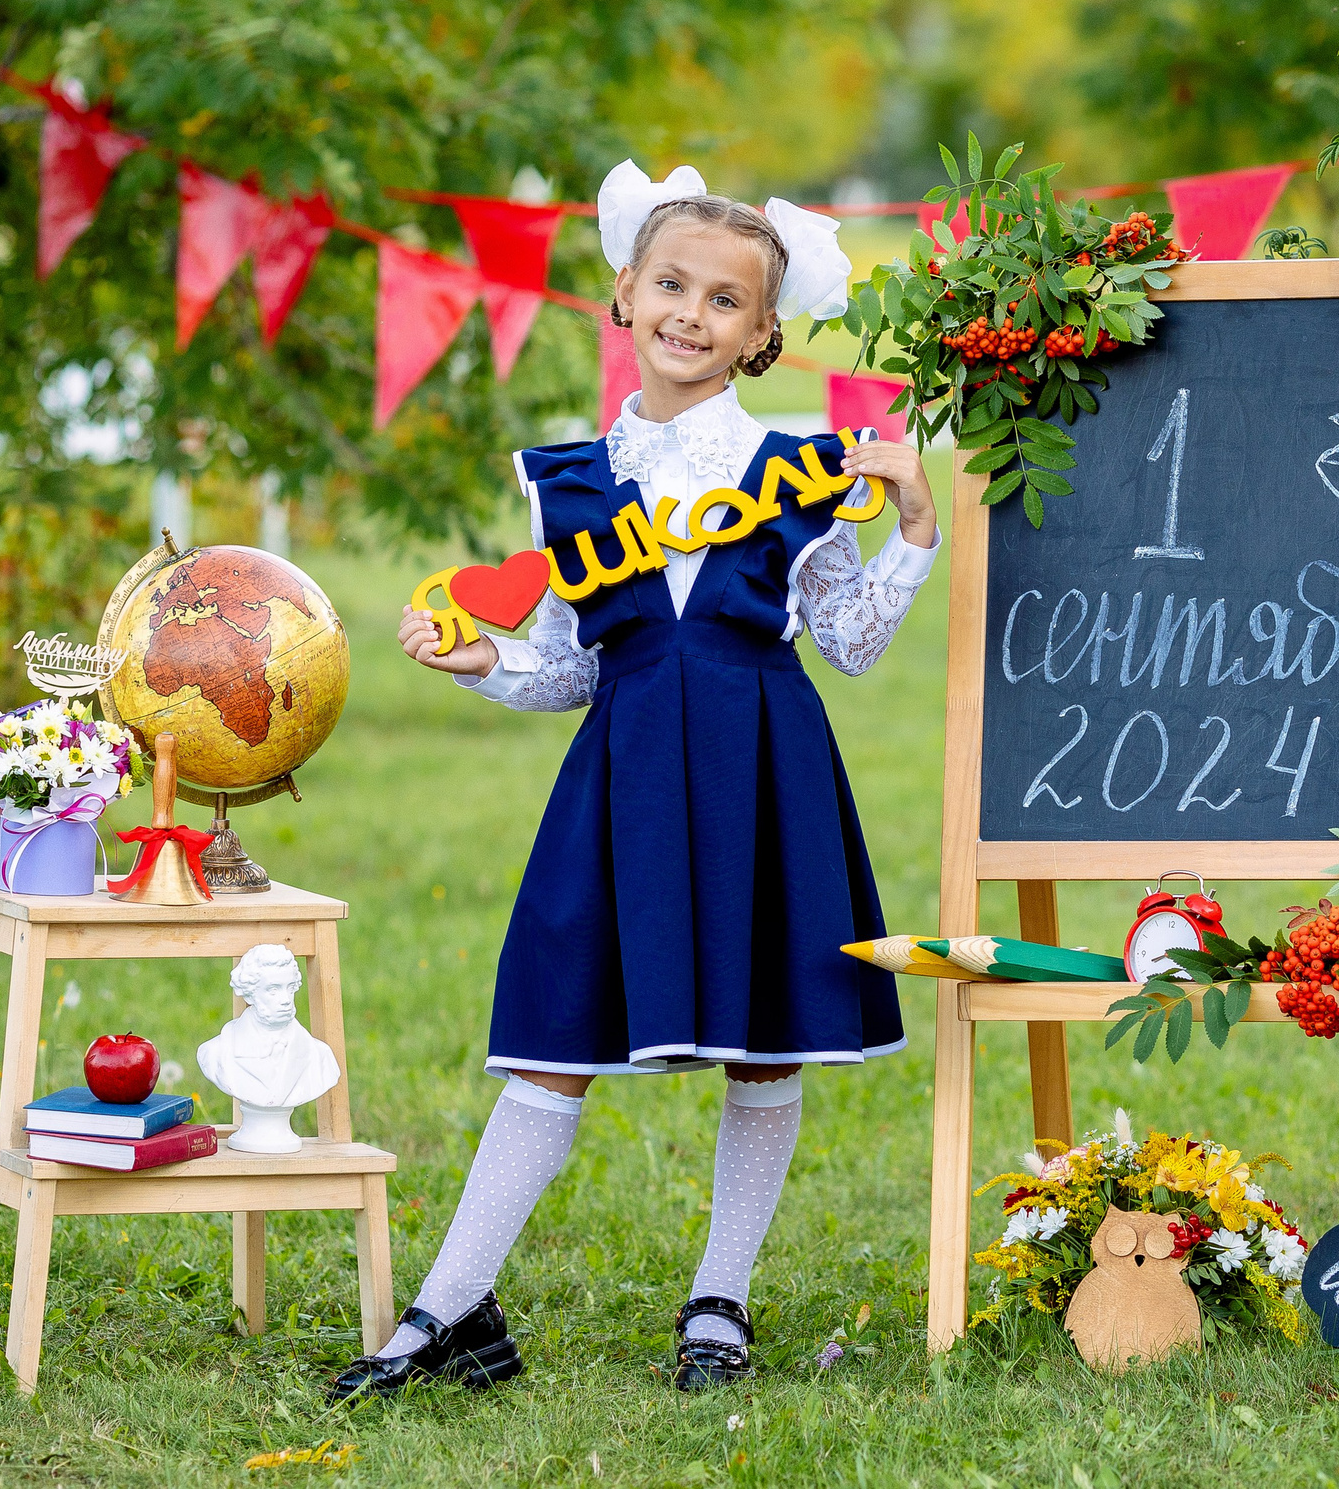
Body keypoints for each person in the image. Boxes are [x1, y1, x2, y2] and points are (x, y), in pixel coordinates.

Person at [331, 161, 939, 1400]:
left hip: (764, 767)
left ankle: (720, 1299)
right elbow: (565, 669)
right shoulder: (566, 483)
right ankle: (446, 1309)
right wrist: (477, 657)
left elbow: (854, 646)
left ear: (764, 333)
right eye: (671, 284)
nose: (691, 314)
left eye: (726, 301)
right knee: (552, 1038)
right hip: (621, 777)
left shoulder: (802, 467)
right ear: (623, 292)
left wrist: (914, 532)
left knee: (764, 1044)